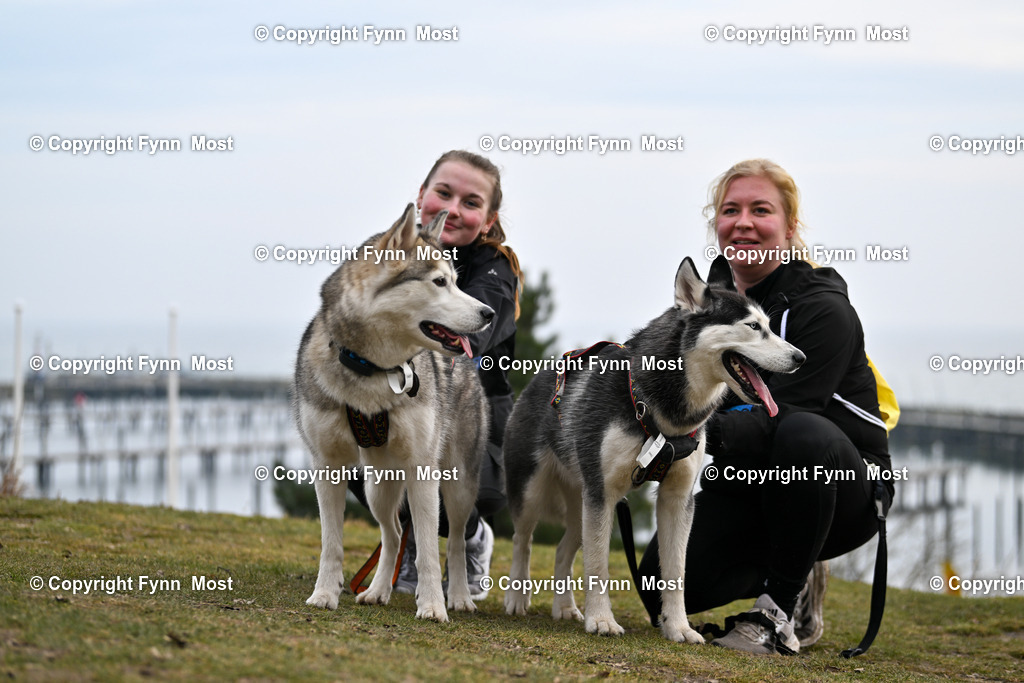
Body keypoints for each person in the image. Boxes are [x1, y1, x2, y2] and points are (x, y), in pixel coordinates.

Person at [635, 159, 895, 655]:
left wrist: (676, 437)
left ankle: (779, 609)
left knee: (801, 432)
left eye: (761, 210)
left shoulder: (824, 307)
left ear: (789, 227)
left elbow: (782, 419)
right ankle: (790, 568)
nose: (744, 222)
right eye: (730, 210)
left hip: (839, 486)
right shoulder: (709, 301)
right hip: (748, 480)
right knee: (656, 587)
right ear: (717, 224)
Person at [350, 150, 521, 599]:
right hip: (401, 404)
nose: (454, 209)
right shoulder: (393, 255)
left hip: (477, 429)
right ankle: (406, 544)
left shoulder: (494, 273)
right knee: (360, 447)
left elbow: (465, 345)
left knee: (448, 482)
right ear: (422, 195)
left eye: (471, 202)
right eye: (444, 193)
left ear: (488, 220)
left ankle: (469, 538)